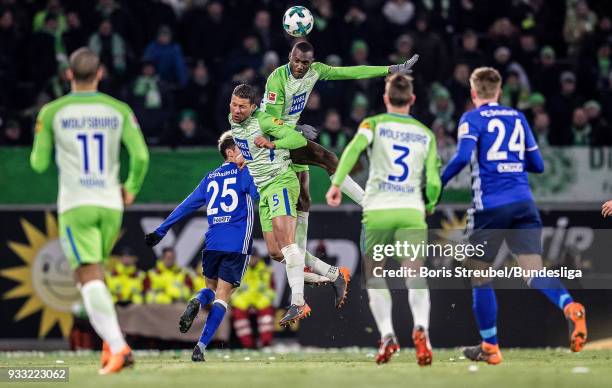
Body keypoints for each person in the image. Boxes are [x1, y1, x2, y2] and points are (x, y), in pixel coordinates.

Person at [440, 67, 587, 365]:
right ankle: (570, 306)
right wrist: (511, 161)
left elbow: (461, 157)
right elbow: (538, 165)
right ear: (499, 91)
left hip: (491, 206)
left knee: (479, 274)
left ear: (473, 92)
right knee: (532, 271)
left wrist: (434, 186)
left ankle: (490, 346)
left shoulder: (471, 118)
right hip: (524, 203)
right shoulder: (517, 118)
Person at [261, 40, 418, 289]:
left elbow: (350, 71)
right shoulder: (277, 79)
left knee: (304, 200)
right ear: (289, 56)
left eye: (305, 62)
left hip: (291, 136)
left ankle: (300, 261)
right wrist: (296, 127)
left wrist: (389, 70)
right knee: (329, 158)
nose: (300, 66)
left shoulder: (316, 71)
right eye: (296, 60)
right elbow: (268, 121)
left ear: (312, 62)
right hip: (274, 140)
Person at [30, 47, 149, 374]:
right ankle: (110, 345)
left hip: (76, 203)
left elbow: (38, 164)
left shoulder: (52, 111)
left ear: (68, 74)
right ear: (100, 74)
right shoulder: (118, 110)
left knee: (87, 276)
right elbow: (140, 156)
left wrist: (45, 136)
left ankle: (119, 346)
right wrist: (131, 187)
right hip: (111, 203)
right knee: (93, 277)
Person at [326, 74, 441, 366]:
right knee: (415, 275)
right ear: (412, 100)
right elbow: (434, 179)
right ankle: (422, 330)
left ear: (386, 99)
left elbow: (353, 149)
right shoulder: (425, 133)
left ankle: (388, 335)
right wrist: (429, 203)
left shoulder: (373, 124)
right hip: (410, 210)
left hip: (378, 211)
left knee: (376, 276)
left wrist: (337, 183)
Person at [229, 84, 349, 327]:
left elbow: (294, 138)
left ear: (254, 108)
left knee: (288, 245)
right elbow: (248, 141)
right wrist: (245, 155)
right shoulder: (234, 120)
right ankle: (333, 274)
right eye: (233, 104)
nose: (236, 110)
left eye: (242, 106)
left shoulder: (264, 120)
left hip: (280, 183)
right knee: (276, 252)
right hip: (264, 189)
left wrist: (273, 144)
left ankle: (298, 302)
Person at [144, 131, 258, 362]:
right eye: (241, 147)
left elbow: (186, 205)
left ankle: (196, 300)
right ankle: (201, 347)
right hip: (236, 242)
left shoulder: (210, 177)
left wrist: (161, 230)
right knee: (224, 296)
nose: (246, 151)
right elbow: (258, 195)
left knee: (210, 288)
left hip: (213, 242)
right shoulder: (244, 171)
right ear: (230, 152)